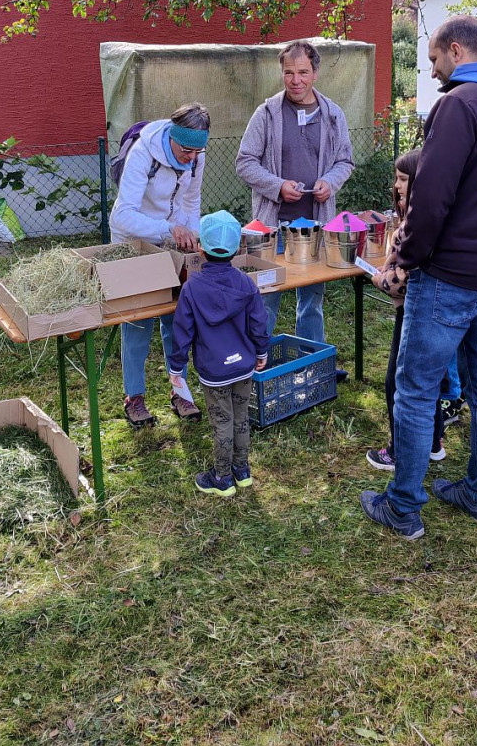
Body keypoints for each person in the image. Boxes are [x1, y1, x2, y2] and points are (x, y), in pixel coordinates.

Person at [361, 15, 477, 539]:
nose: (434, 70)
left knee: (416, 389)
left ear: (457, 51)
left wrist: (404, 260)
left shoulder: (457, 105)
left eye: (435, 59)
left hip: (448, 278)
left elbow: (431, 197)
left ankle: (403, 507)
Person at [235, 40, 354, 344]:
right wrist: (277, 187)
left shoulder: (333, 115)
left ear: (316, 72)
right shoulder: (267, 113)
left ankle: (310, 360)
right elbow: (245, 162)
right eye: (289, 73)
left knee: (312, 302)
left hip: (315, 229)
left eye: (303, 72)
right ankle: (257, 363)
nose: (296, 80)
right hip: (272, 229)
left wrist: (330, 181)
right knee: (264, 300)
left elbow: (345, 161)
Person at [109, 102, 210, 428]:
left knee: (177, 318)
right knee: (138, 321)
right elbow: (122, 214)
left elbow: (191, 201)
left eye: (198, 151)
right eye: (186, 150)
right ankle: (134, 397)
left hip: (172, 236)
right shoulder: (144, 153)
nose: (191, 157)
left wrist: (190, 233)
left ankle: (180, 391)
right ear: (172, 137)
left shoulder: (195, 155)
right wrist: (169, 229)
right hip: (133, 238)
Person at [167, 210, 269, 497]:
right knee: (240, 417)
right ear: (237, 249)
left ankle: (222, 477)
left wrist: (176, 368)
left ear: (200, 248)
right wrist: (262, 351)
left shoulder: (191, 287)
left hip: (214, 371)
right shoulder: (247, 283)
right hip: (244, 366)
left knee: (222, 421)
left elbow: (182, 332)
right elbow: (259, 323)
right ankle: (242, 471)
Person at [365, 149, 447, 471]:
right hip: (436, 306)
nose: (397, 185)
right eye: (396, 179)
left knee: (397, 381)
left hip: (413, 309)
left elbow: (402, 281)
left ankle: (398, 450)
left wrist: (378, 278)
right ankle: (433, 441)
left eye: (402, 179)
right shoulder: (430, 213)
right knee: (429, 378)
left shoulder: (418, 222)